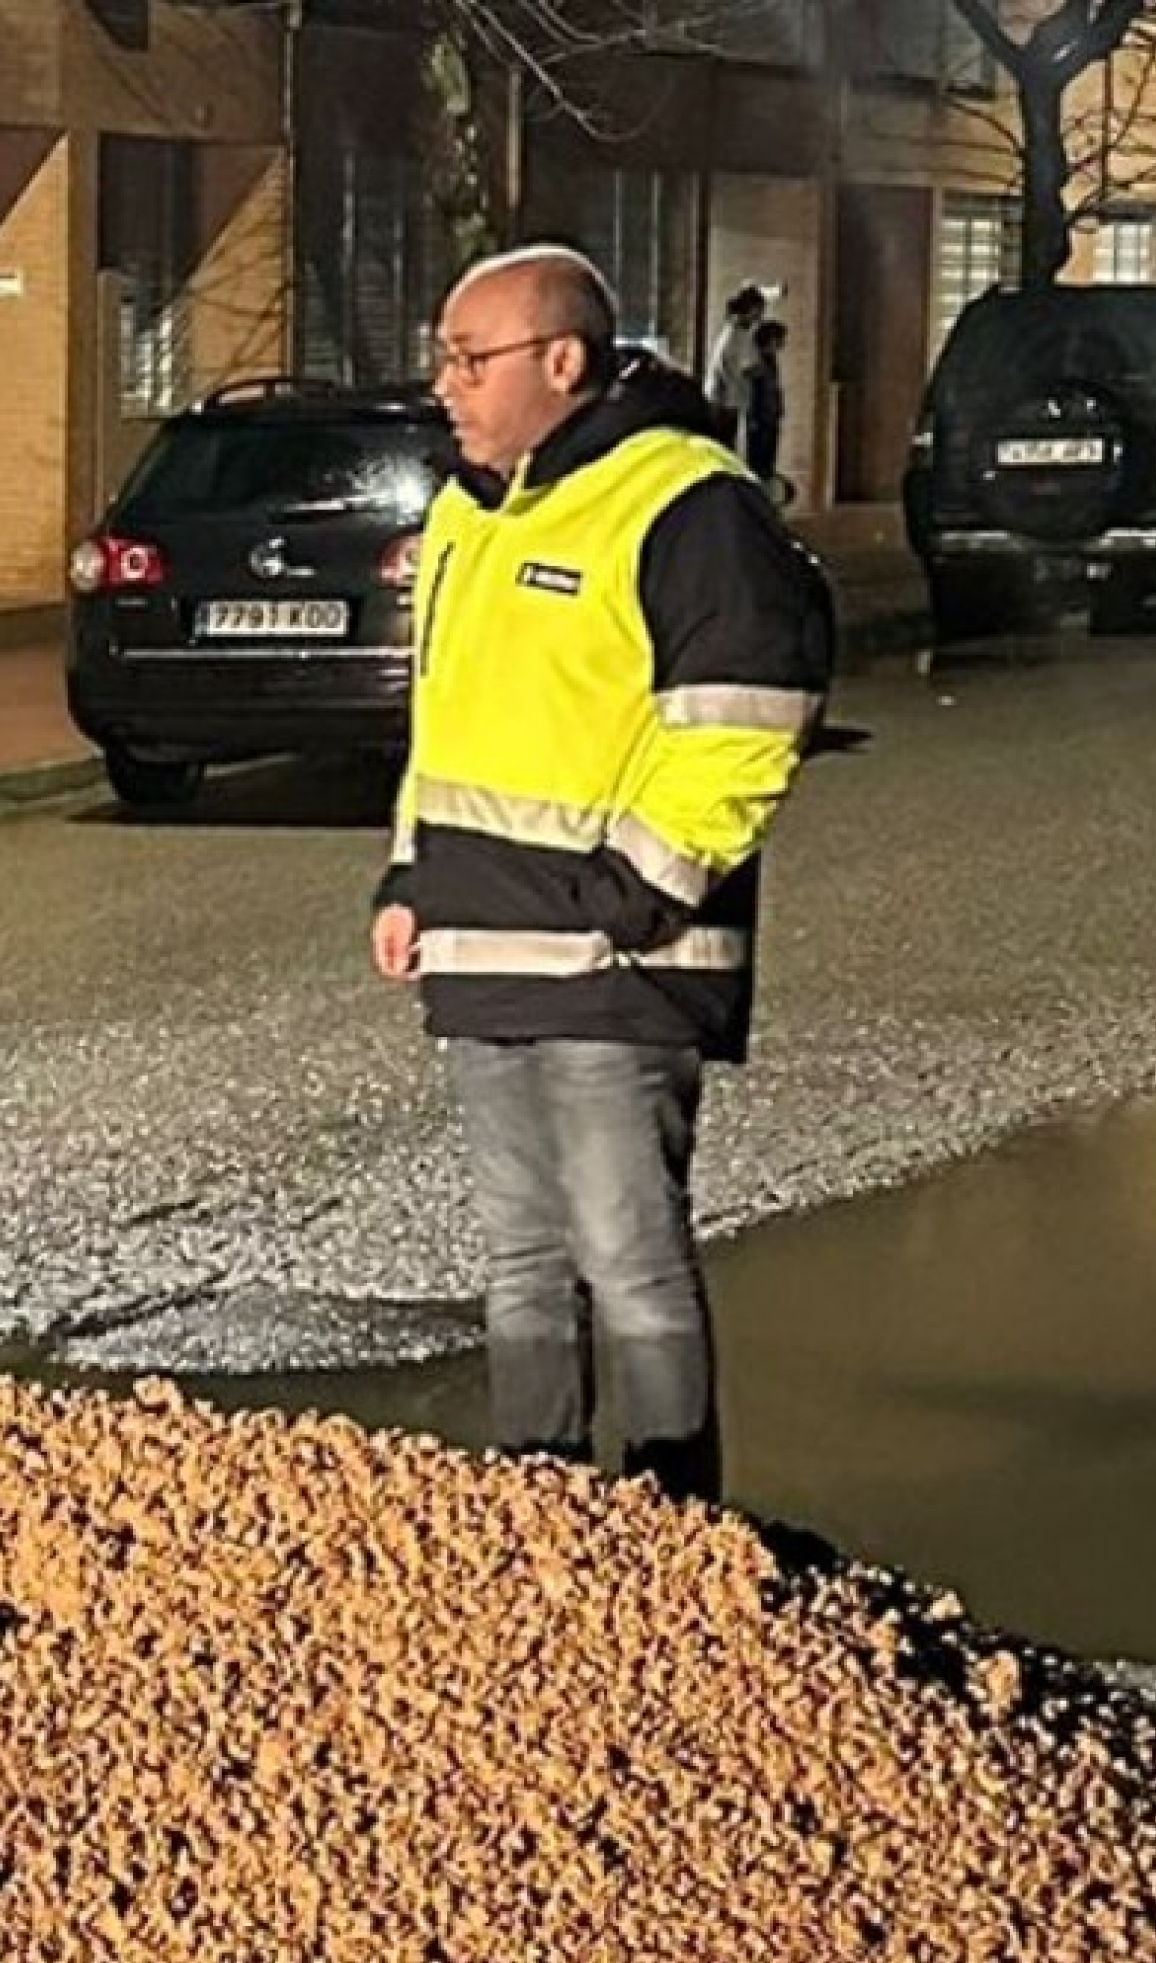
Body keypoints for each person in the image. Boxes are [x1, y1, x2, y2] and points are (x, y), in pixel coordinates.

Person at [371, 244, 834, 1504]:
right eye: (444, 359)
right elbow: (451, 727)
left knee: (627, 1251)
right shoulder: (473, 509)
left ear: (561, 360)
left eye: (471, 359)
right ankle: (545, 1520)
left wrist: (647, 885)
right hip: (484, 948)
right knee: (523, 1257)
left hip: (619, 960)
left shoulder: (685, 502)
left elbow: (747, 711)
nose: (446, 387)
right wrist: (410, 878)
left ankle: (676, 1522)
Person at [704, 283, 768, 444]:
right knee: (725, 444)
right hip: (726, 401)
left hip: (722, 399)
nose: (760, 317)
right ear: (751, 309)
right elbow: (750, 368)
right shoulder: (739, 336)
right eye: (759, 311)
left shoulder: (730, 331)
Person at [740, 320, 790, 491]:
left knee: (767, 461)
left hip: (769, 416)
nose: (782, 344)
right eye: (779, 340)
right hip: (761, 418)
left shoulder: (770, 361)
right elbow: (754, 393)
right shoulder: (757, 364)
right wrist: (753, 417)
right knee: (759, 461)